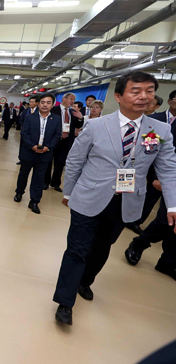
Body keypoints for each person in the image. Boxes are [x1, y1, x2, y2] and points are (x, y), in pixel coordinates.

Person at [53, 71, 176, 326]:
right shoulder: (96, 125)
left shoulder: (159, 129)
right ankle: (65, 302)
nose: (144, 96)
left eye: (149, 91)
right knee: (77, 249)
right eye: (136, 91)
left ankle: (85, 281)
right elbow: (76, 160)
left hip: (126, 200)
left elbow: (168, 169)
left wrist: (173, 204)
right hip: (89, 196)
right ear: (118, 96)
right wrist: (68, 191)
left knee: (102, 248)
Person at [125, 90, 176, 234]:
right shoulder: (155, 119)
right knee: (134, 190)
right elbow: (147, 147)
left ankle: (136, 220)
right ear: (170, 101)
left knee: (151, 198)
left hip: (166, 167)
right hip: (144, 164)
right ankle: (126, 214)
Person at [14, 93, 62, 214]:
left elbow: (57, 136)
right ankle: (19, 193)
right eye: (43, 102)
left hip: (45, 154)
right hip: (29, 152)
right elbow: (24, 133)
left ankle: (34, 201)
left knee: (39, 179)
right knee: (23, 175)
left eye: (48, 102)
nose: (45, 105)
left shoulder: (56, 119)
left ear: (53, 105)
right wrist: (33, 146)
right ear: (38, 104)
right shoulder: (30, 117)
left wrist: (47, 148)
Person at [44, 92, 84, 192]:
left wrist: (80, 118)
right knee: (48, 162)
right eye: (71, 99)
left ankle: (55, 183)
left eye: (74, 100)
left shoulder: (72, 112)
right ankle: (45, 182)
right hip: (53, 140)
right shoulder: (54, 110)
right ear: (64, 99)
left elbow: (78, 126)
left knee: (60, 163)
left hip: (66, 141)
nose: (72, 102)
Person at [16, 96, 39, 165]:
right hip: (25, 132)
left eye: (32, 102)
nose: (30, 103)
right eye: (30, 102)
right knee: (22, 145)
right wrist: (25, 126)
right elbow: (21, 120)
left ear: (37, 103)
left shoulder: (39, 111)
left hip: (34, 133)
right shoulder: (26, 111)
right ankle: (21, 159)